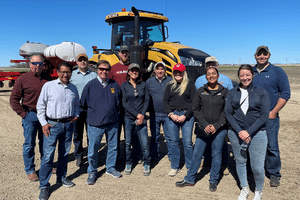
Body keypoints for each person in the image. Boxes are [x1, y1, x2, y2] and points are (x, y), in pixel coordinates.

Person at [175, 67, 228, 192]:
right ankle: (190, 179)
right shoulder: (200, 91)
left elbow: (227, 112)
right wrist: (205, 125)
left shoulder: (225, 91)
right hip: (203, 128)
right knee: (197, 154)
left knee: (216, 155)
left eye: (213, 74)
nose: (211, 76)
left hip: (219, 129)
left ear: (218, 76)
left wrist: (216, 125)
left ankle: (213, 180)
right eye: (208, 74)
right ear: (206, 77)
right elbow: (196, 109)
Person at [225, 64, 270, 200]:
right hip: (236, 133)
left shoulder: (261, 92)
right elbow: (228, 114)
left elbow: (264, 116)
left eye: (247, 75)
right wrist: (240, 131)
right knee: (240, 161)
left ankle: (258, 190)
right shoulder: (232, 92)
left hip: (257, 133)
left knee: (257, 166)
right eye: (242, 75)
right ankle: (244, 188)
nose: (245, 78)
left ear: (253, 75)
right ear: (239, 76)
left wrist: (248, 132)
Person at [37, 62, 80, 200]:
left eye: (68, 72)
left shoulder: (73, 88)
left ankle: (61, 178)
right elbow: (40, 106)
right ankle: (44, 185)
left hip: (67, 125)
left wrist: (76, 115)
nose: (65, 74)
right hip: (52, 125)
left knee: (64, 154)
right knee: (48, 156)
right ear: (57, 72)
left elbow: (77, 105)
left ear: (71, 73)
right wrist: (44, 123)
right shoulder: (48, 86)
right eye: (63, 72)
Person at [252, 46, 290, 187]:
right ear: (255, 56)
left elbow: (285, 93)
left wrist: (273, 112)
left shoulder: (277, 71)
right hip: (253, 117)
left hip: (270, 117)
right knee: (252, 143)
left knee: (271, 146)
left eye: (264, 54)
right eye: (259, 54)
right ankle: (254, 169)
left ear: (269, 55)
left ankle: (274, 173)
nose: (262, 56)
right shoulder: (251, 71)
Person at [10, 54, 52, 182]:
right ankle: (30, 169)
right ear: (29, 64)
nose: (37, 66)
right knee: (29, 144)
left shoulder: (48, 78)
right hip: (31, 115)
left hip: (45, 116)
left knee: (45, 143)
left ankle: (46, 165)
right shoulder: (22, 79)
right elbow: (14, 99)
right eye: (34, 63)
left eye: (39, 63)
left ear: (43, 65)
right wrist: (23, 114)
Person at [81, 60, 122, 185]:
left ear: (110, 71)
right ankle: (92, 171)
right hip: (95, 124)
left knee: (113, 147)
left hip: (112, 123)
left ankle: (110, 168)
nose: (104, 71)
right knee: (93, 149)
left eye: (106, 69)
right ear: (97, 70)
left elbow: (119, 103)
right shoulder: (90, 85)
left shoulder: (114, 85)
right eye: (101, 69)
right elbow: (83, 104)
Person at [194, 56, 233, 175]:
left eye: (213, 64)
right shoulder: (199, 80)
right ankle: (207, 161)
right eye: (208, 64)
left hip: (220, 120)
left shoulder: (226, 80)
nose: (211, 66)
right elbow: (198, 102)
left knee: (222, 144)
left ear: (217, 66)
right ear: (205, 67)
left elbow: (230, 99)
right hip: (205, 119)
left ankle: (225, 164)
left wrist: (221, 123)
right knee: (205, 142)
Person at [163, 63, 196, 177]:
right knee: (174, 142)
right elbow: (165, 102)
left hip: (186, 116)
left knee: (187, 142)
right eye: (176, 72)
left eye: (180, 72)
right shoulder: (170, 85)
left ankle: (190, 166)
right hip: (172, 116)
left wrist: (185, 115)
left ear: (184, 73)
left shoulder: (190, 84)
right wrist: (171, 115)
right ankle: (175, 167)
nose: (178, 74)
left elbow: (194, 103)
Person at [121, 63, 151, 176]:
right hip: (128, 117)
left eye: (136, 71)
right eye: (132, 70)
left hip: (141, 117)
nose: (134, 72)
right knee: (128, 142)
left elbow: (147, 100)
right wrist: (136, 114)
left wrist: (142, 115)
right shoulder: (124, 85)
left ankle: (147, 163)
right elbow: (124, 102)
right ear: (128, 72)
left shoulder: (143, 85)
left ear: (139, 73)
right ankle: (128, 163)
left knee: (144, 142)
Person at [70, 54, 97, 167]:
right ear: (77, 62)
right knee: (77, 134)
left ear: (88, 62)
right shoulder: (72, 76)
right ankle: (79, 155)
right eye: (80, 60)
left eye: (84, 60)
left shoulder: (94, 75)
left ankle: (91, 155)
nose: (82, 62)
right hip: (77, 108)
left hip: (91, 109)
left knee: (91, 134)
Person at [146, 61, 173, 162]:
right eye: (158, 69)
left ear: (165, 70)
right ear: (154, 70)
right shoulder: (149, 81)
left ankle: (171, 155)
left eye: (162, 69)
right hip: (154, 114)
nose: (160, 71)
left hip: (167, 114)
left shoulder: (170, 81)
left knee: (169, 137)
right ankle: (154, 155)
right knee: (154, 137)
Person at [109, 45, 131, 160]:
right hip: (116, 105)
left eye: (126, 52)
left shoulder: (132, 67)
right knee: (115, 132)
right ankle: (115, 157)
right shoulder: (113, 68)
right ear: (119, 53)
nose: (125, 54)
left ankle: (128, 156)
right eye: (123, 52)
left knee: (129, 133)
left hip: (129, 106)